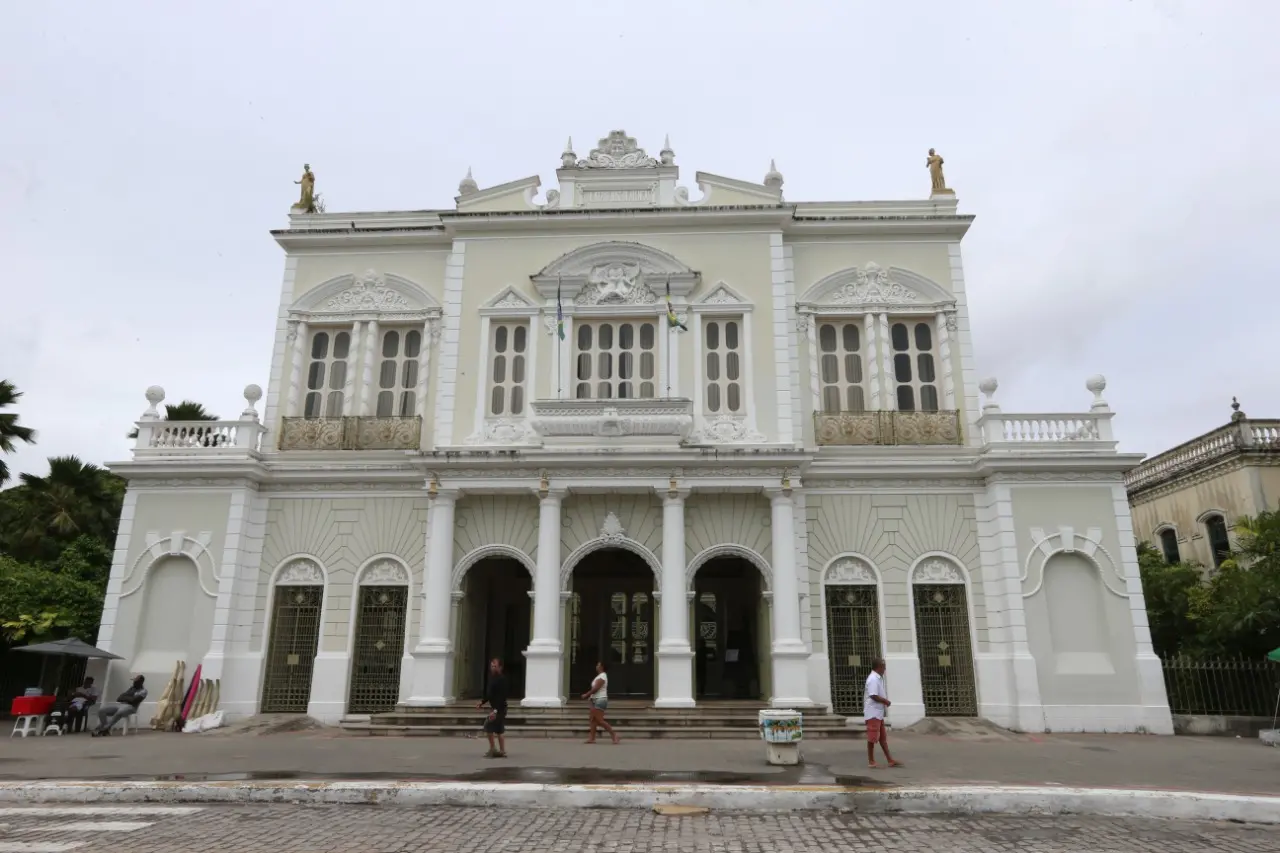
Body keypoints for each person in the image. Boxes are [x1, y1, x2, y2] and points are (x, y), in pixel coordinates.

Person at [864, 658, 902, 769]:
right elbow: (873, 695)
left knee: (882, 738)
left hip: (878, 713)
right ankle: (871, 761)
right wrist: (885, 701)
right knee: (872, 737)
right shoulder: (873, 679)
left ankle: (890, 760)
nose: (884, 669)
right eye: (883, 667)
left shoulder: (877, 678)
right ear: (879, 667)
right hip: (873, 712)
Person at [580, 661, 619, 745]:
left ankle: (614, 735)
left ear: (602, 667)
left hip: (600, 699)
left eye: (598, 665)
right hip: (595, 699)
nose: (596, 666)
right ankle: (592, 738)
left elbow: (596, 688)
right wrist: (591, 698)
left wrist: (586, 695)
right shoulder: (599, 676)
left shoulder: (603, 676)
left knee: (599, 720)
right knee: (593, 720)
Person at [477, 658, 508, 758]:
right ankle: (502, 751)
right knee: (499, 730)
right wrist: (482, 702)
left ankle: (493, 749)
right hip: (497, 708)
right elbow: (489, 694)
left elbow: (502, 697)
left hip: (499, 708)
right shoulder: (492, 678)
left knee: (488, 726)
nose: (492, 668)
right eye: (491, 666)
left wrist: (495, 710)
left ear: (500, 667)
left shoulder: (502, 679)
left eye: (495, 666)